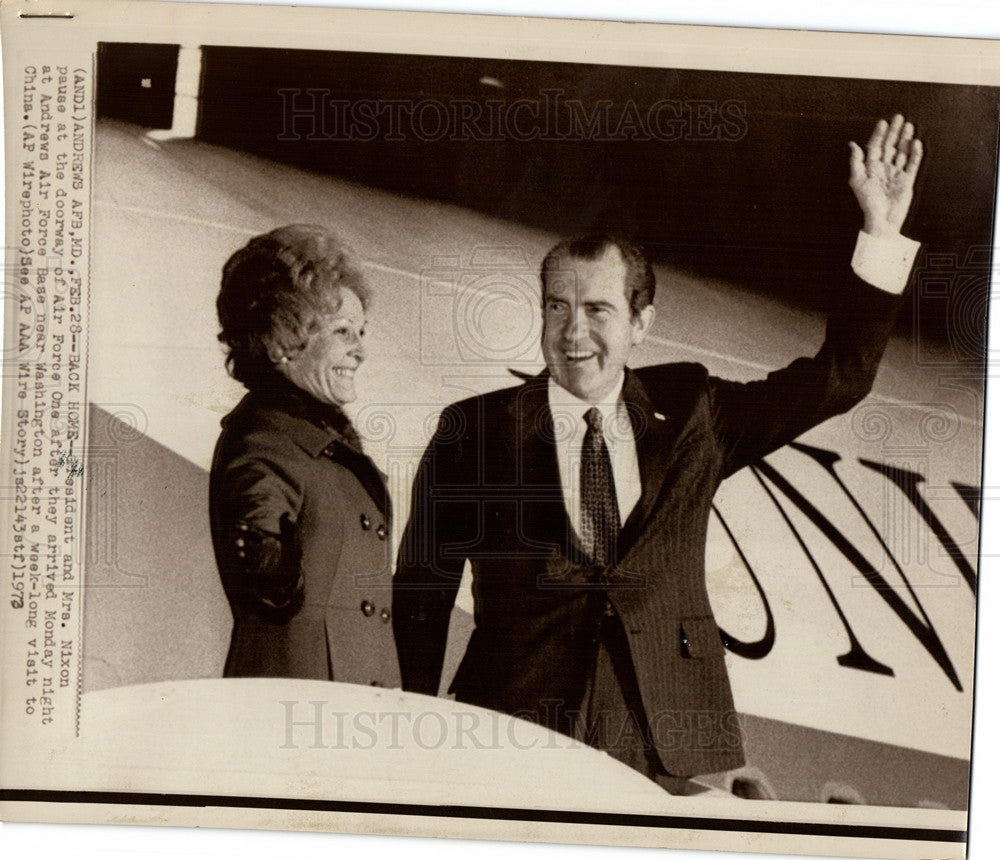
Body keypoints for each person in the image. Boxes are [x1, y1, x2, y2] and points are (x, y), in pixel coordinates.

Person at [392, 115, 923, 791]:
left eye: (598, 311)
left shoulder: (696, 414)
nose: (572, 333)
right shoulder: (472, 430)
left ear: (642, 322)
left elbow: (840, 378)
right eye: (557, 308)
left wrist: (879, 234)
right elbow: (421, 592)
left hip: (660, 742)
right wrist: (403, 727)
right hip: (511, 725)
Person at [211, 224, 400, 687]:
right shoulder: (264, 443)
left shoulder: (318, 435)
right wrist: (269, 559)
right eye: (342, 332)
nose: (361, 352)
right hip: (296, 705)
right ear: (281, 343)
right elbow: (263, 544)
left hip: (348, 702)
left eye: (360, 332)